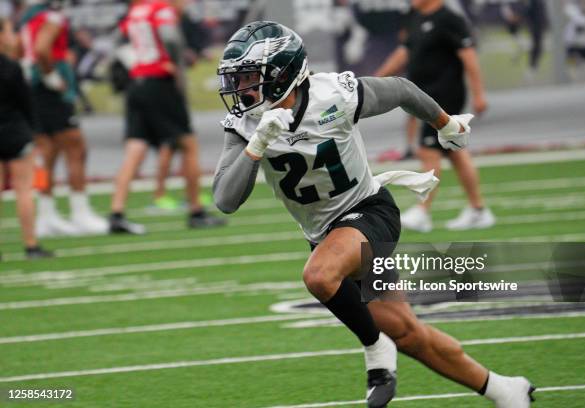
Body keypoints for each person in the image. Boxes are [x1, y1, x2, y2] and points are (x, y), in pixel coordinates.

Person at [213, 21, 534, 408]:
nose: (241, 89)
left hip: (368, 212)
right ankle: (504, 389)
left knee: (318, 275)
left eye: (249, 77)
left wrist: (444, 123)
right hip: (326, 234)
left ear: (283, 74)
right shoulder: (247, 124)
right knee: (408, 333)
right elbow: (226, 200)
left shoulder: (333, 94)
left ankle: (374, 348)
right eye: (238, 78)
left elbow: (400, 90)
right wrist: (257, 144)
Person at [375, 0, 494, 232]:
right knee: (456, 154)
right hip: (426, 97)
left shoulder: (449, 19)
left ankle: (422, 211)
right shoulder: (415, 18)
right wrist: (376, 79)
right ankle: (478, 210)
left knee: (428, 150)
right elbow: (404, 52)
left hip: (445, 97)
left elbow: (469, 57)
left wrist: (479, 93)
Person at [109, 0, 224, 234]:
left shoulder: (136, 10)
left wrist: (140, 63)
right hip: (159, 82)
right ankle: (196, 211)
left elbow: (119, 43)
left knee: (135, 149)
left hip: (137, 83)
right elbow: (170, 38)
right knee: (188, 144)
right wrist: (176, 66)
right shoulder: (160, 8)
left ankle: (116, 212)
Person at [18, 0, 107, 237]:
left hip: (31, 89)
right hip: (48, 92)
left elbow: (21, 48)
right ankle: (80, 212)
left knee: (44, 154)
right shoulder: (51, 16)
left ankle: (46, 214)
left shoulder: (28, 16)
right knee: (76, 147)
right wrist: (52, 78)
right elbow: (41, 49)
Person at [0, 17, 52, 259]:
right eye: (9, 31)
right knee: (23, 190)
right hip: (15, 134)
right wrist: (37, 135)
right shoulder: (11, 67)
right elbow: (27, 104)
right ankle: (31, 245)